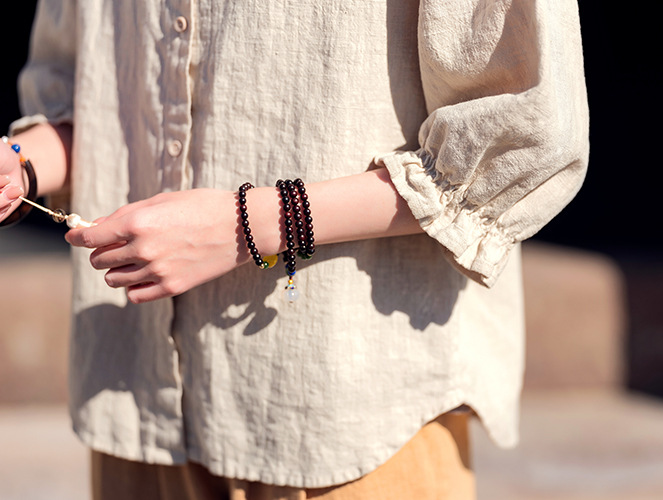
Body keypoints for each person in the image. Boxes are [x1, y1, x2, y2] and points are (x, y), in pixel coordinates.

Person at [0, 0, 589, 498]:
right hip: (138, 408)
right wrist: (22, 165)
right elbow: (89, 96)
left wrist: (244, 225)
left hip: (346, 416)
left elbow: (521, 136)